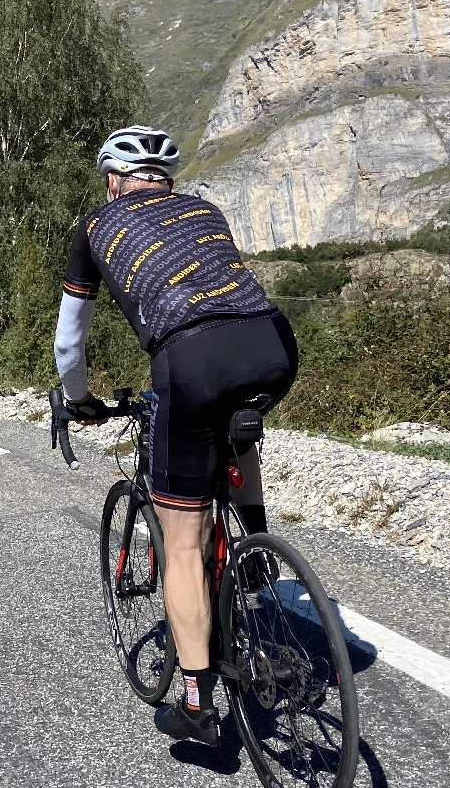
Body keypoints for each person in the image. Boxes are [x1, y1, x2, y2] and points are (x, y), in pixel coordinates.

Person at [55, 125, 297, 747]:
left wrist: (79, 398)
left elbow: (69, 342)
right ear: (167, 180)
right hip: (272, 344)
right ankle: (256, 536)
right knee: (237, 418)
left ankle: (195, 702)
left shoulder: (94, 227)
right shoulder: (205, 208)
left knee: (183, 544)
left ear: (114, 180)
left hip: (191, 361)